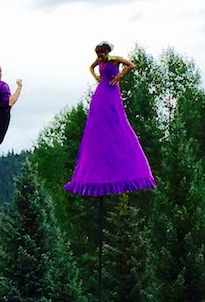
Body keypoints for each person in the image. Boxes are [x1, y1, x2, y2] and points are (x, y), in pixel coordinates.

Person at [65, 41, 156, 195]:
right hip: (101, 90)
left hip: (112, 89)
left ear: (106, 52)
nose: (99, 57)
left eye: (101, 53)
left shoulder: (115, 59)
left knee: (114, 114)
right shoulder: (99, 61)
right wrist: (96, 77)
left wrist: (119, 76)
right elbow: (90, 67)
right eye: (98, 54)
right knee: (97, 114)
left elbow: (131, 65)